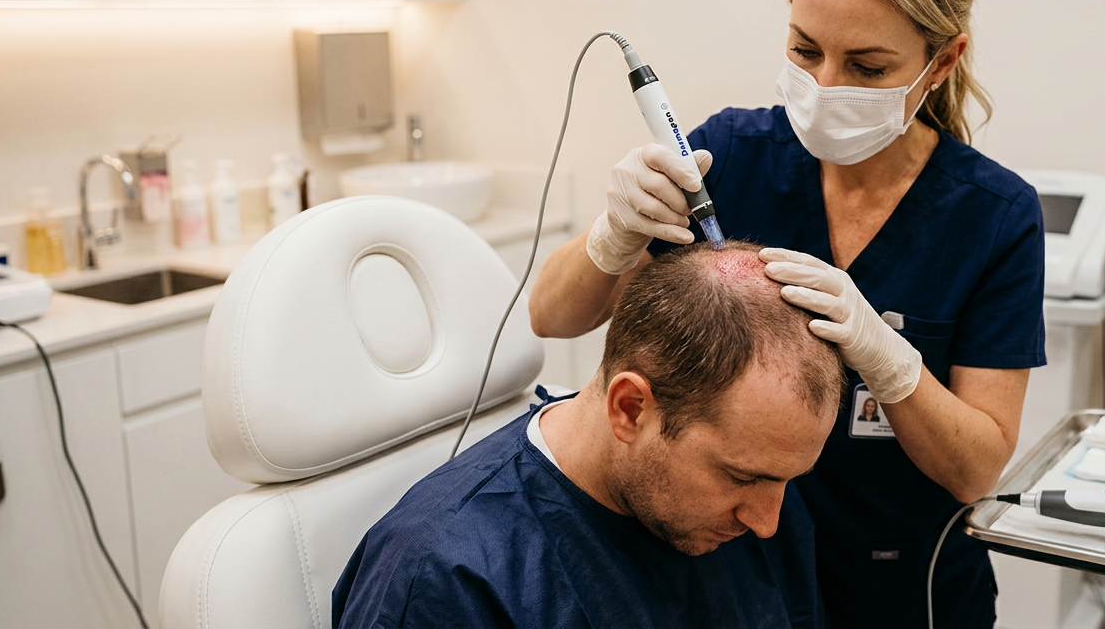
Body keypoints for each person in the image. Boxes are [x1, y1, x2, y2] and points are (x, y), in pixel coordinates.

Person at [529, 0, 1045, 628]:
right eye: (806, 50)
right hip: (725, 578)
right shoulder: (731, 154)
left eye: (867, 67)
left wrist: (891, 363)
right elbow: (552, 316)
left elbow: (976, 469)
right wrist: (613, 236)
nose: (825, 85)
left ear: (941, 61)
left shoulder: (993, 215)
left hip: (900, 588)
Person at [333, 242, 845, 628]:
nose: (767, 523)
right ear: (630, 408)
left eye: (786, 479)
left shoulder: (763, 480)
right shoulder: (450, 578)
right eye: (739, 477)